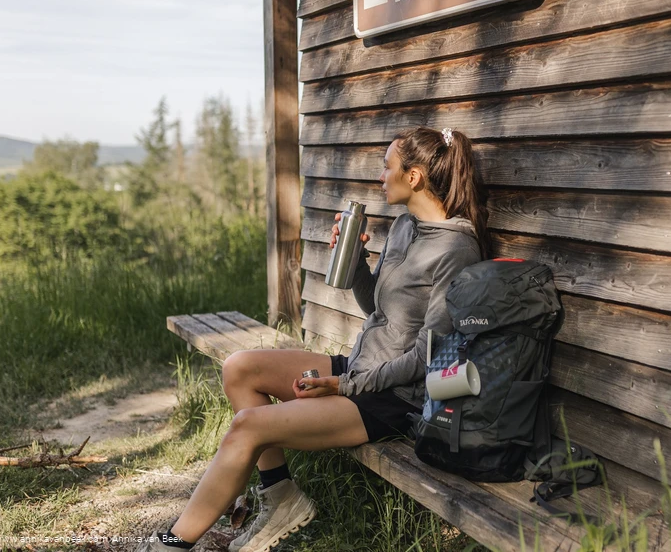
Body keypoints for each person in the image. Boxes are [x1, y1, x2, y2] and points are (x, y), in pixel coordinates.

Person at [136, 126, 490, 552]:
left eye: (387, 166)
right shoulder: (404, 227)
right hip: (359, 369)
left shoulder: (457, 250)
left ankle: (172, 544)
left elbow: (427, 359)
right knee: (240, 369)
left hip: (392, 399)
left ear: (413, 177)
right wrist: (357, 261)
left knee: (248, 427)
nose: (382, 176)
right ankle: (281, 497)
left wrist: (344, 386)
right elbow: (379, 308)